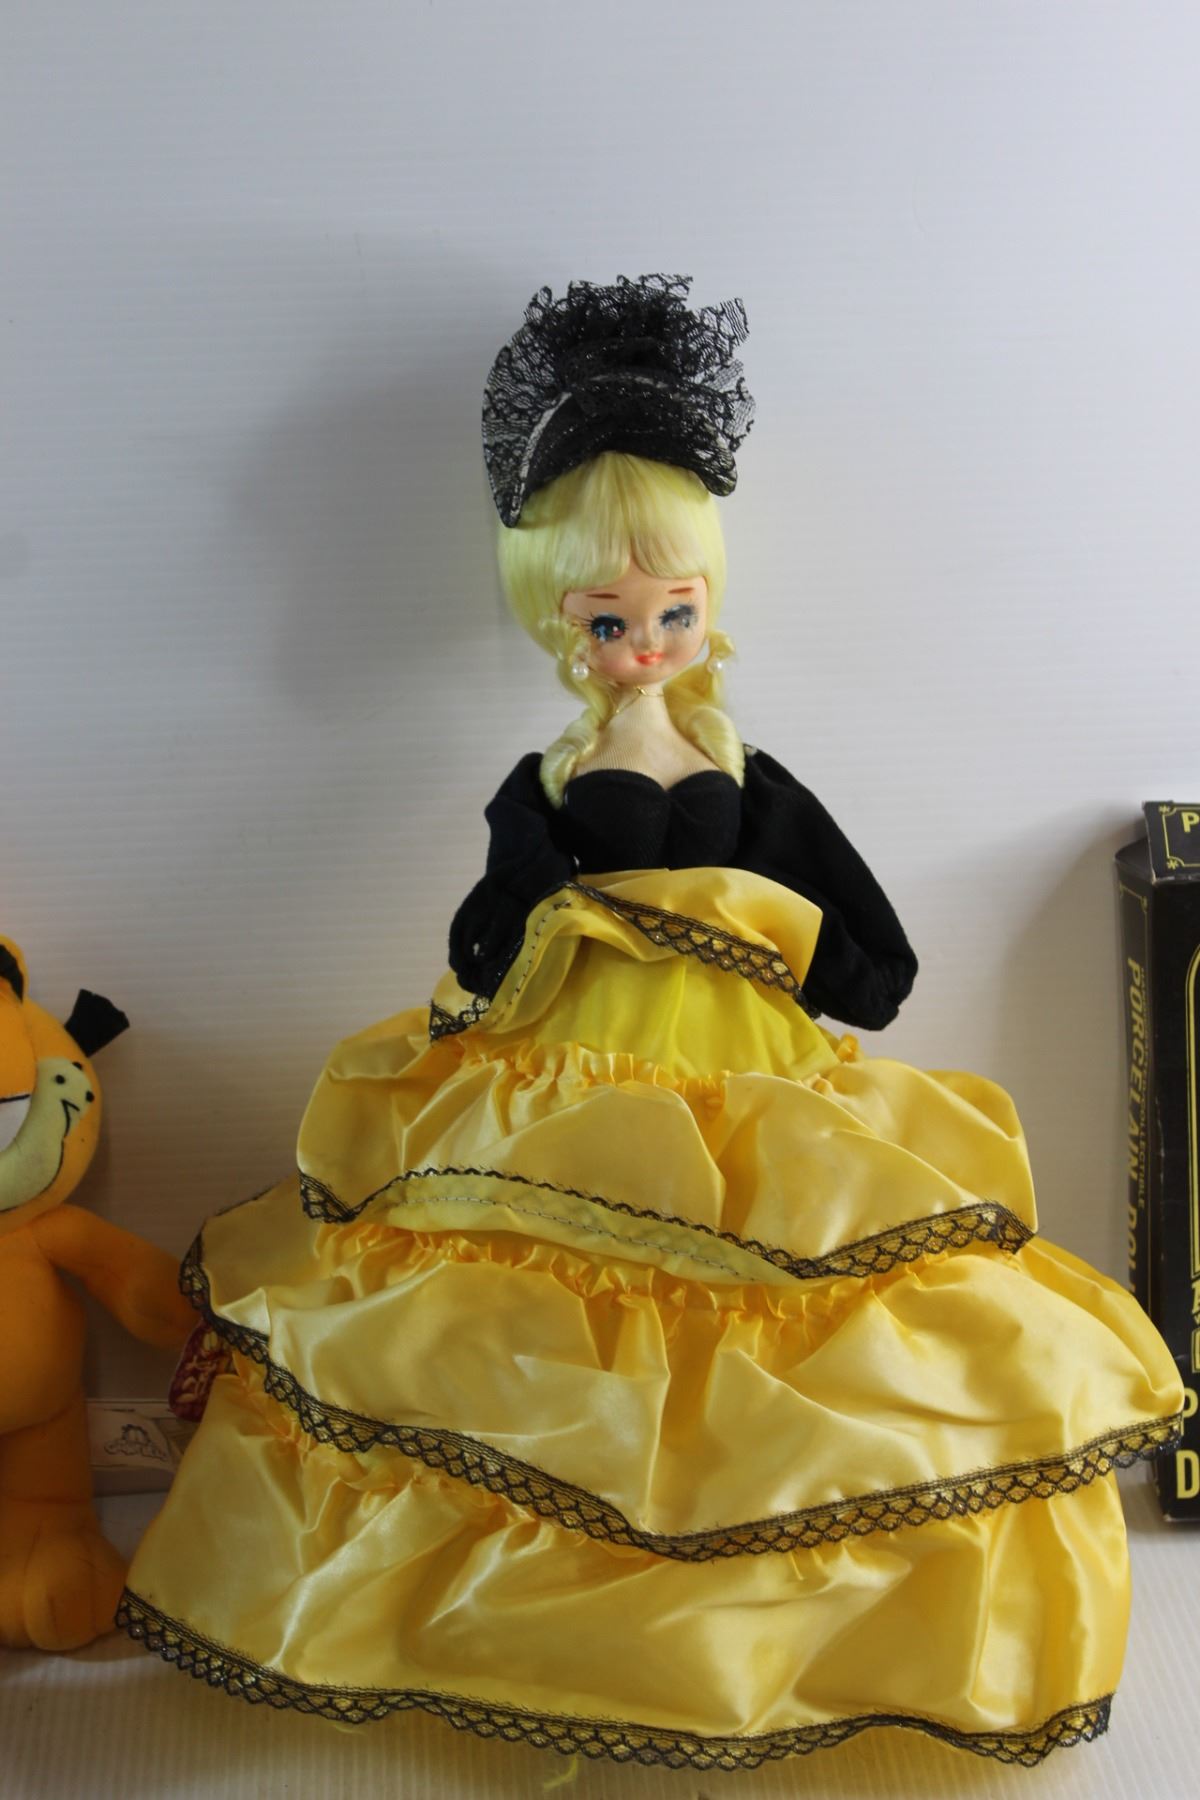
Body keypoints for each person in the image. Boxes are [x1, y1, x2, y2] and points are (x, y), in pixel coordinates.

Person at [120, 275, 1182, 1772]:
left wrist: (843, 973)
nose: (647, 640)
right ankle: (536, 1630)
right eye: (613, 619)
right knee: (550, 1312)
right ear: (563, 622)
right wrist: (514, 949)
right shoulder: (552, 783)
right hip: (577, 1065)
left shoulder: (750, 774)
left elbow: (863, 938)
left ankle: (762, 1640)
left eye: (675, 611)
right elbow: (486, 932)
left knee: (770, 1310)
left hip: (746, 1071)